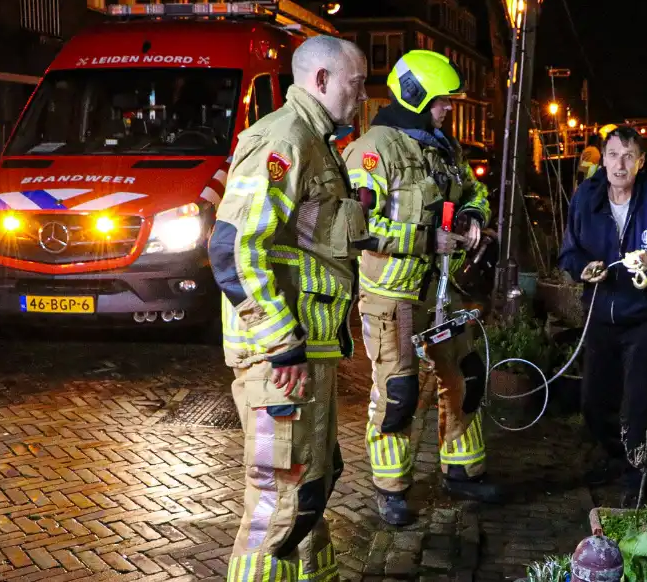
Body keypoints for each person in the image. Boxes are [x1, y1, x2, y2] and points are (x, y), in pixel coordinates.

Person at [209, 35, 368, 581]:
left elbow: (308, 245)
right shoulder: (285, 139)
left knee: (309, 491)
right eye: (356, 81)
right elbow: (234, 247)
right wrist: (284, 345)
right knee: (278, 502)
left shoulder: (317, 142)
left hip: (307, 352)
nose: (362, 93)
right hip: (282, 358)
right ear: (321, 80)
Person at [343, 49, 499, 526]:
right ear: (414, 95)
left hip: (441, 291)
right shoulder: (372, 151)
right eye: (441, 100)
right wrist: (427, 238)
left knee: (466, 375)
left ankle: (463, 471)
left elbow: (474, 193)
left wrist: (473, 219)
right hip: (392, 296)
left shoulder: (442, 147)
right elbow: (357, 228)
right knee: (398, 394)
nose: (449, 108)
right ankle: (391, 490)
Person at [558, 125, 647, 506]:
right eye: (614, 155)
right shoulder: (585, 198)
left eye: (629, 156)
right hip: (600, 316)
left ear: (641, 162)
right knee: (593, 402)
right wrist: (583, 268)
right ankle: (616, 457)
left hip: (645, 320)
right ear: (602, 158)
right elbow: (568, 253)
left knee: (640, 404)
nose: (620, 164)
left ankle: (639, 477)